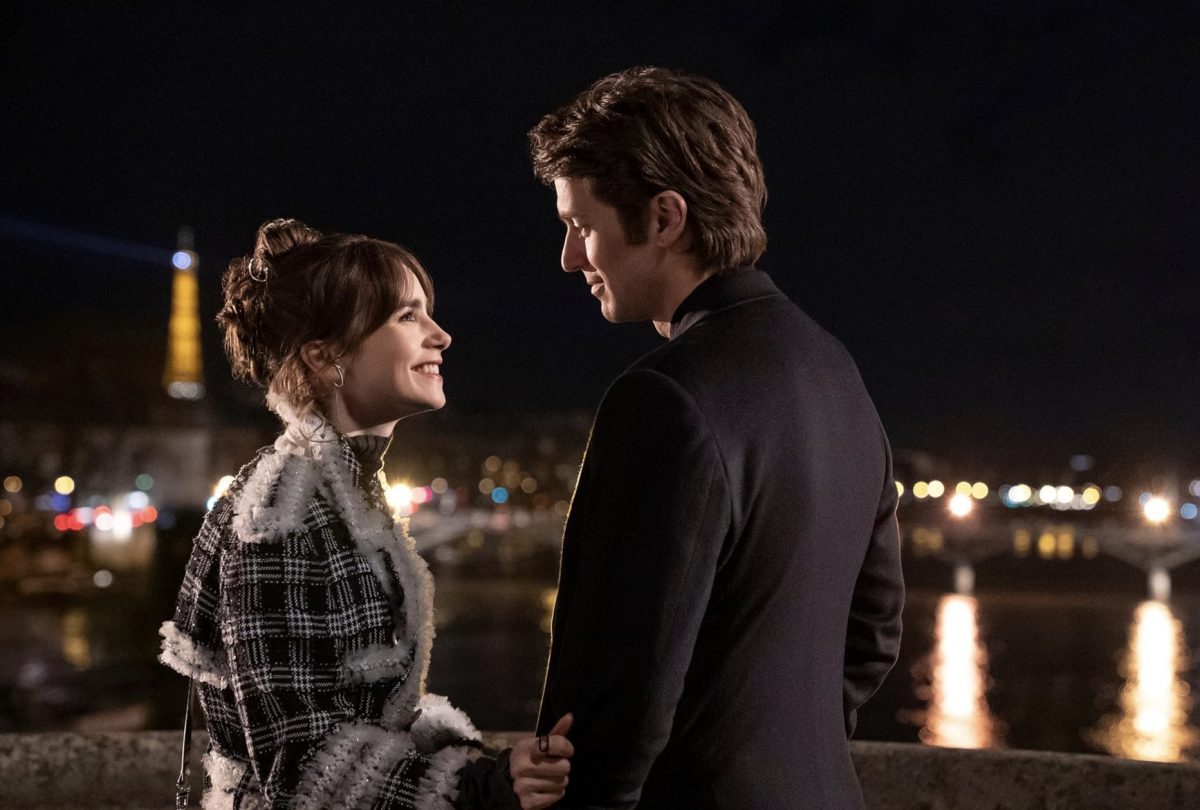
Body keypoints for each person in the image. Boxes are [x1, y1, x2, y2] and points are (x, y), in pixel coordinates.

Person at [527, 67, 905, 808]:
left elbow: (614, 701)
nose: (572, 258)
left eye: (581, 226)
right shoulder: (837, 372)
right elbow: (874, 633)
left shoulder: (664, 398)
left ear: (665, 219)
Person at [159, 219, 573, 810]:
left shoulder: (340, 490)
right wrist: (475, 788)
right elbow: (299, 768)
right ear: (327, 357)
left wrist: (481, 767)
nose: (442, 336)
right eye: (408, 317)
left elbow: (364, 713)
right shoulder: (284, 516)